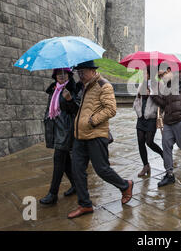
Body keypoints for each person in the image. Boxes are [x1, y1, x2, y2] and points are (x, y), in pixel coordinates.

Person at [67, 60, 133, 219]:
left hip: (96, 135)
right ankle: (85, 204)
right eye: (78, 72)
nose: (80, 75)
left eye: (82, 72)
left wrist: (92, 120)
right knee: (77, 170)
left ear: (92, 71)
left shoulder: (104, 85)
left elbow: (111, 109)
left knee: (102, 169)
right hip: (80, 136)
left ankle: (125, 185)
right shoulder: (83, 87)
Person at [40, 68, 81, 205]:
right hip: (55, 128)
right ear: (55, 76)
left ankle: (53, 194)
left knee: (58, 159)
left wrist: (69, 99)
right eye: (59, 74)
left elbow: (76, 110)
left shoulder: (72, 89)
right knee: (65, 161)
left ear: (69, 75)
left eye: (64, 73)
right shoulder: (54, 89)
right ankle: (76, 185)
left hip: (66, 130)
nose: (61, 76)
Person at [133, 67, 164, 177]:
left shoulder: (158, 85)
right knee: (141, 141)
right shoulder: (141, 84)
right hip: (141, 118)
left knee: (149, 142)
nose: (143, 75)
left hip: (151, 118)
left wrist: (151, 94)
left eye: (145, 73)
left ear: (150, 74)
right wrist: (138, 111)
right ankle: (146, 166)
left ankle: (162, 154)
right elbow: (136, 101)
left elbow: (163, 102)